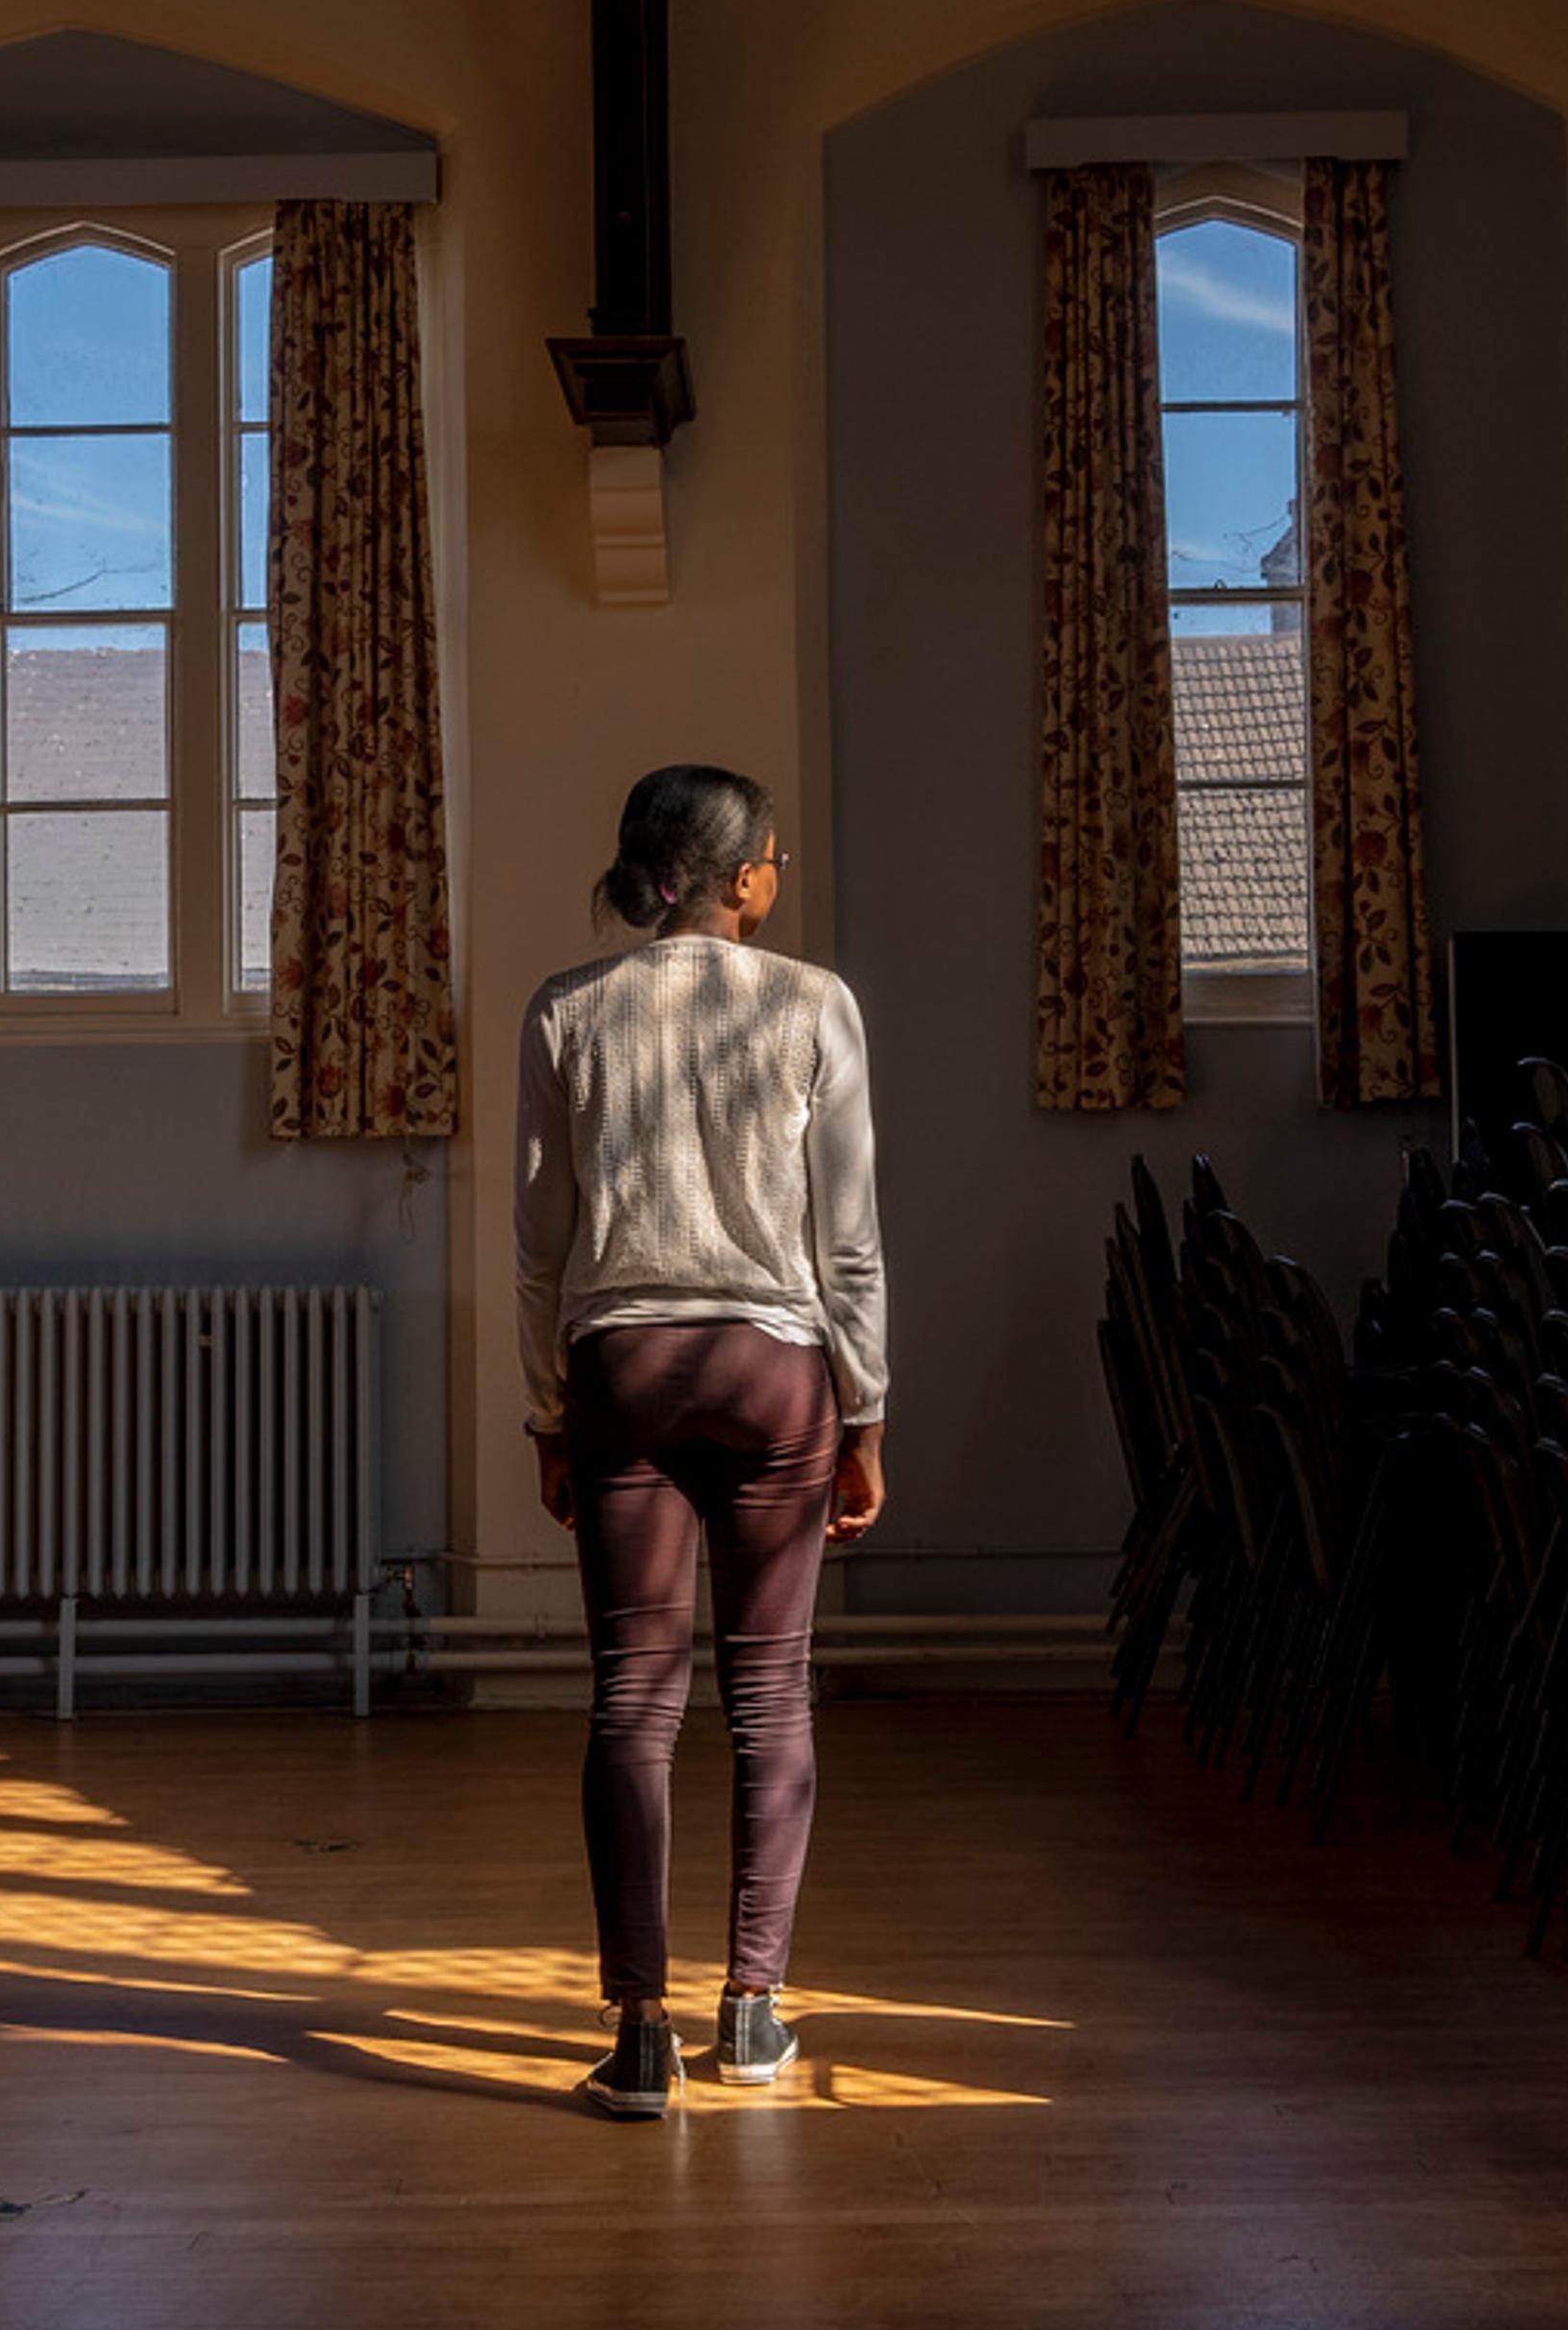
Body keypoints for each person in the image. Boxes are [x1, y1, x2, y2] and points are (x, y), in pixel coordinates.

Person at [512, 763, 890, 2121]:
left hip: (621, 1368)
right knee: (770, 1696)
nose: (778, 875)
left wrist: (549, 1416)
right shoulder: (813, 1003)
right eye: (772, 857)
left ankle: (638, 2034)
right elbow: (847, 1242)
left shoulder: (566, 1009)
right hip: (776, 1372)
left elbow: (541, 1246)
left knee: (633, 1701)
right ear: (740, 879)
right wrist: (866, 1414)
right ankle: (753, 2008)